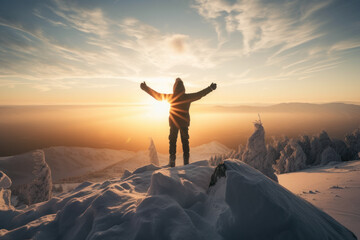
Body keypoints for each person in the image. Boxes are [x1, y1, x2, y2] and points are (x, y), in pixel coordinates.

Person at [140, 78, 217, 167]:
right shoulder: (187, 97)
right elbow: (200, 94)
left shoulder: (172, 97)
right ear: (183, 88)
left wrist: (145, 88)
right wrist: (210, 88)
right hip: (184, 124)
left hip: (173, 124)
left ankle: (172, 162)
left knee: (172, 142)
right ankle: (186, 162)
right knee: (185, 143)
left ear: (174, 88)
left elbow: (157, 95)